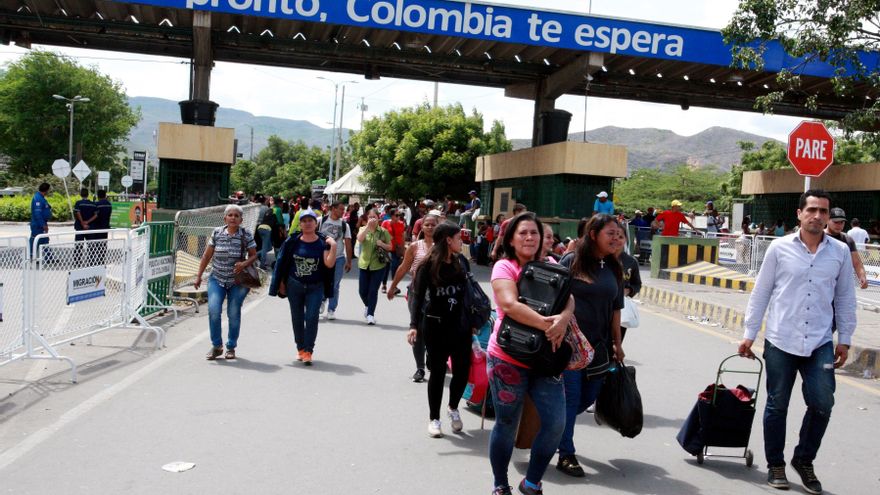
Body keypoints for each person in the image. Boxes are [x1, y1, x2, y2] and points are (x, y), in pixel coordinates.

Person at [740, 189, 856, 495]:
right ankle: (775, 464)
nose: (818, 216)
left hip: (819, 341)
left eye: (824, 211)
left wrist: (845, 338)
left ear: (829, 217)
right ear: (800, 214)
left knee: (822, 403)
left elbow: (845, 297)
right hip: (781, 338)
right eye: (813, 210)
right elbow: (761, 292)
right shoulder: (779, 248)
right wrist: (749, 334)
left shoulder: (840, 252)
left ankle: (803, 459)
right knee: (777, 405)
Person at [487, 212, 574, 495]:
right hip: (508, 356)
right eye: (522, 233)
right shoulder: (504, 266)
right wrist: (549, 325)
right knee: (507, 422)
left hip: (545, 359)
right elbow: (510, 305)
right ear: (511, 239)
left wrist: (563, 319)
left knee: (555, 424)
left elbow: (568, 298)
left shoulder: (550, 264)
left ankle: (532, 481)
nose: (529, 237)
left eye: (534, 233)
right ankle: (501, 484)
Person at [555, 214, 625, 478]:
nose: (616, 238)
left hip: (599, 347)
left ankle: (553, 428)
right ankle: (566, 453)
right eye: (610, 233)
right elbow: (555, 297)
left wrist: (617, 344)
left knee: (588, 397)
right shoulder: (571, 262)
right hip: (569, 345)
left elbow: (616, 310)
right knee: (571, 398)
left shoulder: (614, 268)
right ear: (593, 234)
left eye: (619, 234)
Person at [406, 223, 473, 437]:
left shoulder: (461, 262)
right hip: (435, 325)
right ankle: (434, 418)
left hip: (461, 326)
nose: (461, 242)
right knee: (438, 372)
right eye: (458, 238)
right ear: (448, 240)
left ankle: (453, 408)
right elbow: (417, 296)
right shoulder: (428, 265)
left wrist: (474, 322)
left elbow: (468, 294)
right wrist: (413, 326)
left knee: (462, 371)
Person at [269, 208, 336, 365]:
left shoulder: (323, 242)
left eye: (310, 221)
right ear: (300, 224)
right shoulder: (292, 242)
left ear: (315, 224)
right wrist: (280, 283)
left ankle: (309, 350)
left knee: (312, 317)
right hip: (295, 285)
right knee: (297, 318)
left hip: (316, 286)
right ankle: (300, 348)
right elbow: (281, 264)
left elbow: (329, 263)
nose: (307, 224)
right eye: (304, 221)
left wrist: (333, 246)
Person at [194, 204, 259, 361]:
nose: (233, 218)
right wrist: (199, 276)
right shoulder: (217, 233)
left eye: (236, 216)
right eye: (230, 215)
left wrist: (244, 264)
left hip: (238, 281)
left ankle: (231, 347)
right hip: (217, 278)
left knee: (233, 313)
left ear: (241, 220)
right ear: (225, 218)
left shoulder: (246, 234)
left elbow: (254, 255)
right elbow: (206, 256)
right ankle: (217, 346)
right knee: (214, 310)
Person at [389, 213, 439, 382]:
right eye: (427, 225)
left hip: (438, 295)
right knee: (417, 328)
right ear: (422, 227)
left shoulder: (443, 246)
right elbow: (404, 267)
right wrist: (393, 286)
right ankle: (420, 368)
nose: (430, 227)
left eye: (433, 225)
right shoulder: (415, 247)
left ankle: (432, 357)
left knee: (434, 331)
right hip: (416, 293)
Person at [318, 201, 353, 320]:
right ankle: (322, 300)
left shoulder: (344, 225)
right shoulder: (320, 221)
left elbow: (348, 243)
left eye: (344, 209)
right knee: (321, 282)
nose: (343, 212)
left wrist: (349, 260)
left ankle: (331, 309)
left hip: (338, 258)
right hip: (321, 258)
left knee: (335, 285)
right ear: (333, 209)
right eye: (341, 209)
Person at [357, 208, 392, 325]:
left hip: (378, 265)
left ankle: (371, 314)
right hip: (364, 264)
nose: (372, 219)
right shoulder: (363, 229)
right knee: (362, 291)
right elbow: (359, 239)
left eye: (374, 217)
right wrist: (367, 227)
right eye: (370, 217)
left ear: (378, 218)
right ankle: (368, 305)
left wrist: (382, 244)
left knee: (373, 291)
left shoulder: (383, 231)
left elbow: (390, 247)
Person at [825, 208, 868, 289]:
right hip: (821, 284)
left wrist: (862, 277)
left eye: (842, 222)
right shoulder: (818, 237)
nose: (839, 225)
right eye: (836, 222)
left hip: (842, 285)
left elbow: (857, 263)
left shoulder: (848, 240)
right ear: (827, 220)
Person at [616, 226, 642, 342]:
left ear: (626, 239)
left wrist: (629, 290)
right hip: (602, 310)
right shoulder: (601, 259)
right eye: (613, 235)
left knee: (617, 342)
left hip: (621, 309)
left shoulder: (631, 262)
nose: (616, 239)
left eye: (621, 236)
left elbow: (637, 284)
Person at [381, 209, 407, 295]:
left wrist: (403, 250)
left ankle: (394, 286)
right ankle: (384, 285)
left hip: (397, 249)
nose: (398, 217)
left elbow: (403, 237)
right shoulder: (385, 223)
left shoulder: (401, 224)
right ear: (391, 216)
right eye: (396, 215)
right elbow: (381, 235)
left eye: (399, 215)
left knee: (395, 266)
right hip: (387, 248)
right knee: (386, 267)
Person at [29, 182, 52, 257]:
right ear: (46, 190)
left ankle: (49, 257)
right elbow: (37, 214)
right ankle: (31, 256)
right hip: (38, 224)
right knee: (35, 240)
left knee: (45, 240)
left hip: (42, 223)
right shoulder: (37, 198)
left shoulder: (41, 198)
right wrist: (43, 225)